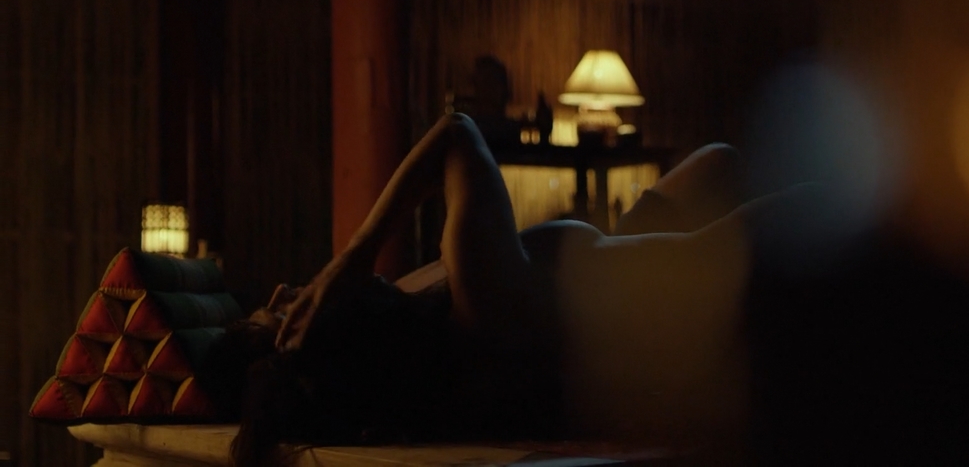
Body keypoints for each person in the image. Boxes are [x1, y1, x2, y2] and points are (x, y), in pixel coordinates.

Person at [219, 113, 842, 466]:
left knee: (718, 161)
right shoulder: (479, 298)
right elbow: (457, 134)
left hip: (617, 273)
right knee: (837, 201)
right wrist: (353, 255)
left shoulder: (427, 314)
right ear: (336, 333)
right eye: (279, 313)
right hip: (715, 274)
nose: (283, 290)